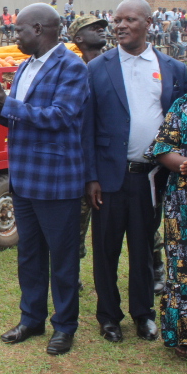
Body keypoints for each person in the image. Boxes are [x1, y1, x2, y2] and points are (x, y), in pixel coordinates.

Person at [0, 3, 88, 356]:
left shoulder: (72, 68)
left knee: (62, 259)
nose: (14, 35)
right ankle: (31, 319)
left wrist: (8, 103)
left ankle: (64, 327)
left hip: (56, 180)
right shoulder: (24, 67)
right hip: (24, 178)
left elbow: (60, 117)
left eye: (19, 30)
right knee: (29, 256)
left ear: (39, 29)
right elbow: (19, 120)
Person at [83, 0, 187, 344]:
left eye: (130, 20)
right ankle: (109, 317)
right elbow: (86, 126)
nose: (121, 26)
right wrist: (92, 176)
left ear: (148, 23)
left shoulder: (172, 68)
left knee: (144, 248)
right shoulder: (98, 68)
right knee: (106, 249)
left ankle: (143, 314)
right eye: (117, 20)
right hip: (109, 178)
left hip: (151, 177)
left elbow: (179, 123)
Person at [146, 47, 187, 357]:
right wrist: (183, 163)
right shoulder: (182, 105)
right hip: (182, 204)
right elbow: (162, 147)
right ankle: (185, 336)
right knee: (182, 266)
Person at [68, 15, 108, 283]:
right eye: (93, 28)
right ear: (79, 38)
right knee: (76, 226)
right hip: (82, 162)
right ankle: (72, 275)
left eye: (103, 27)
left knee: (137, 224)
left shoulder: (116, 66)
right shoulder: (72, 71)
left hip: (111, 158)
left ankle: (155, 268)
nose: (101, 30)